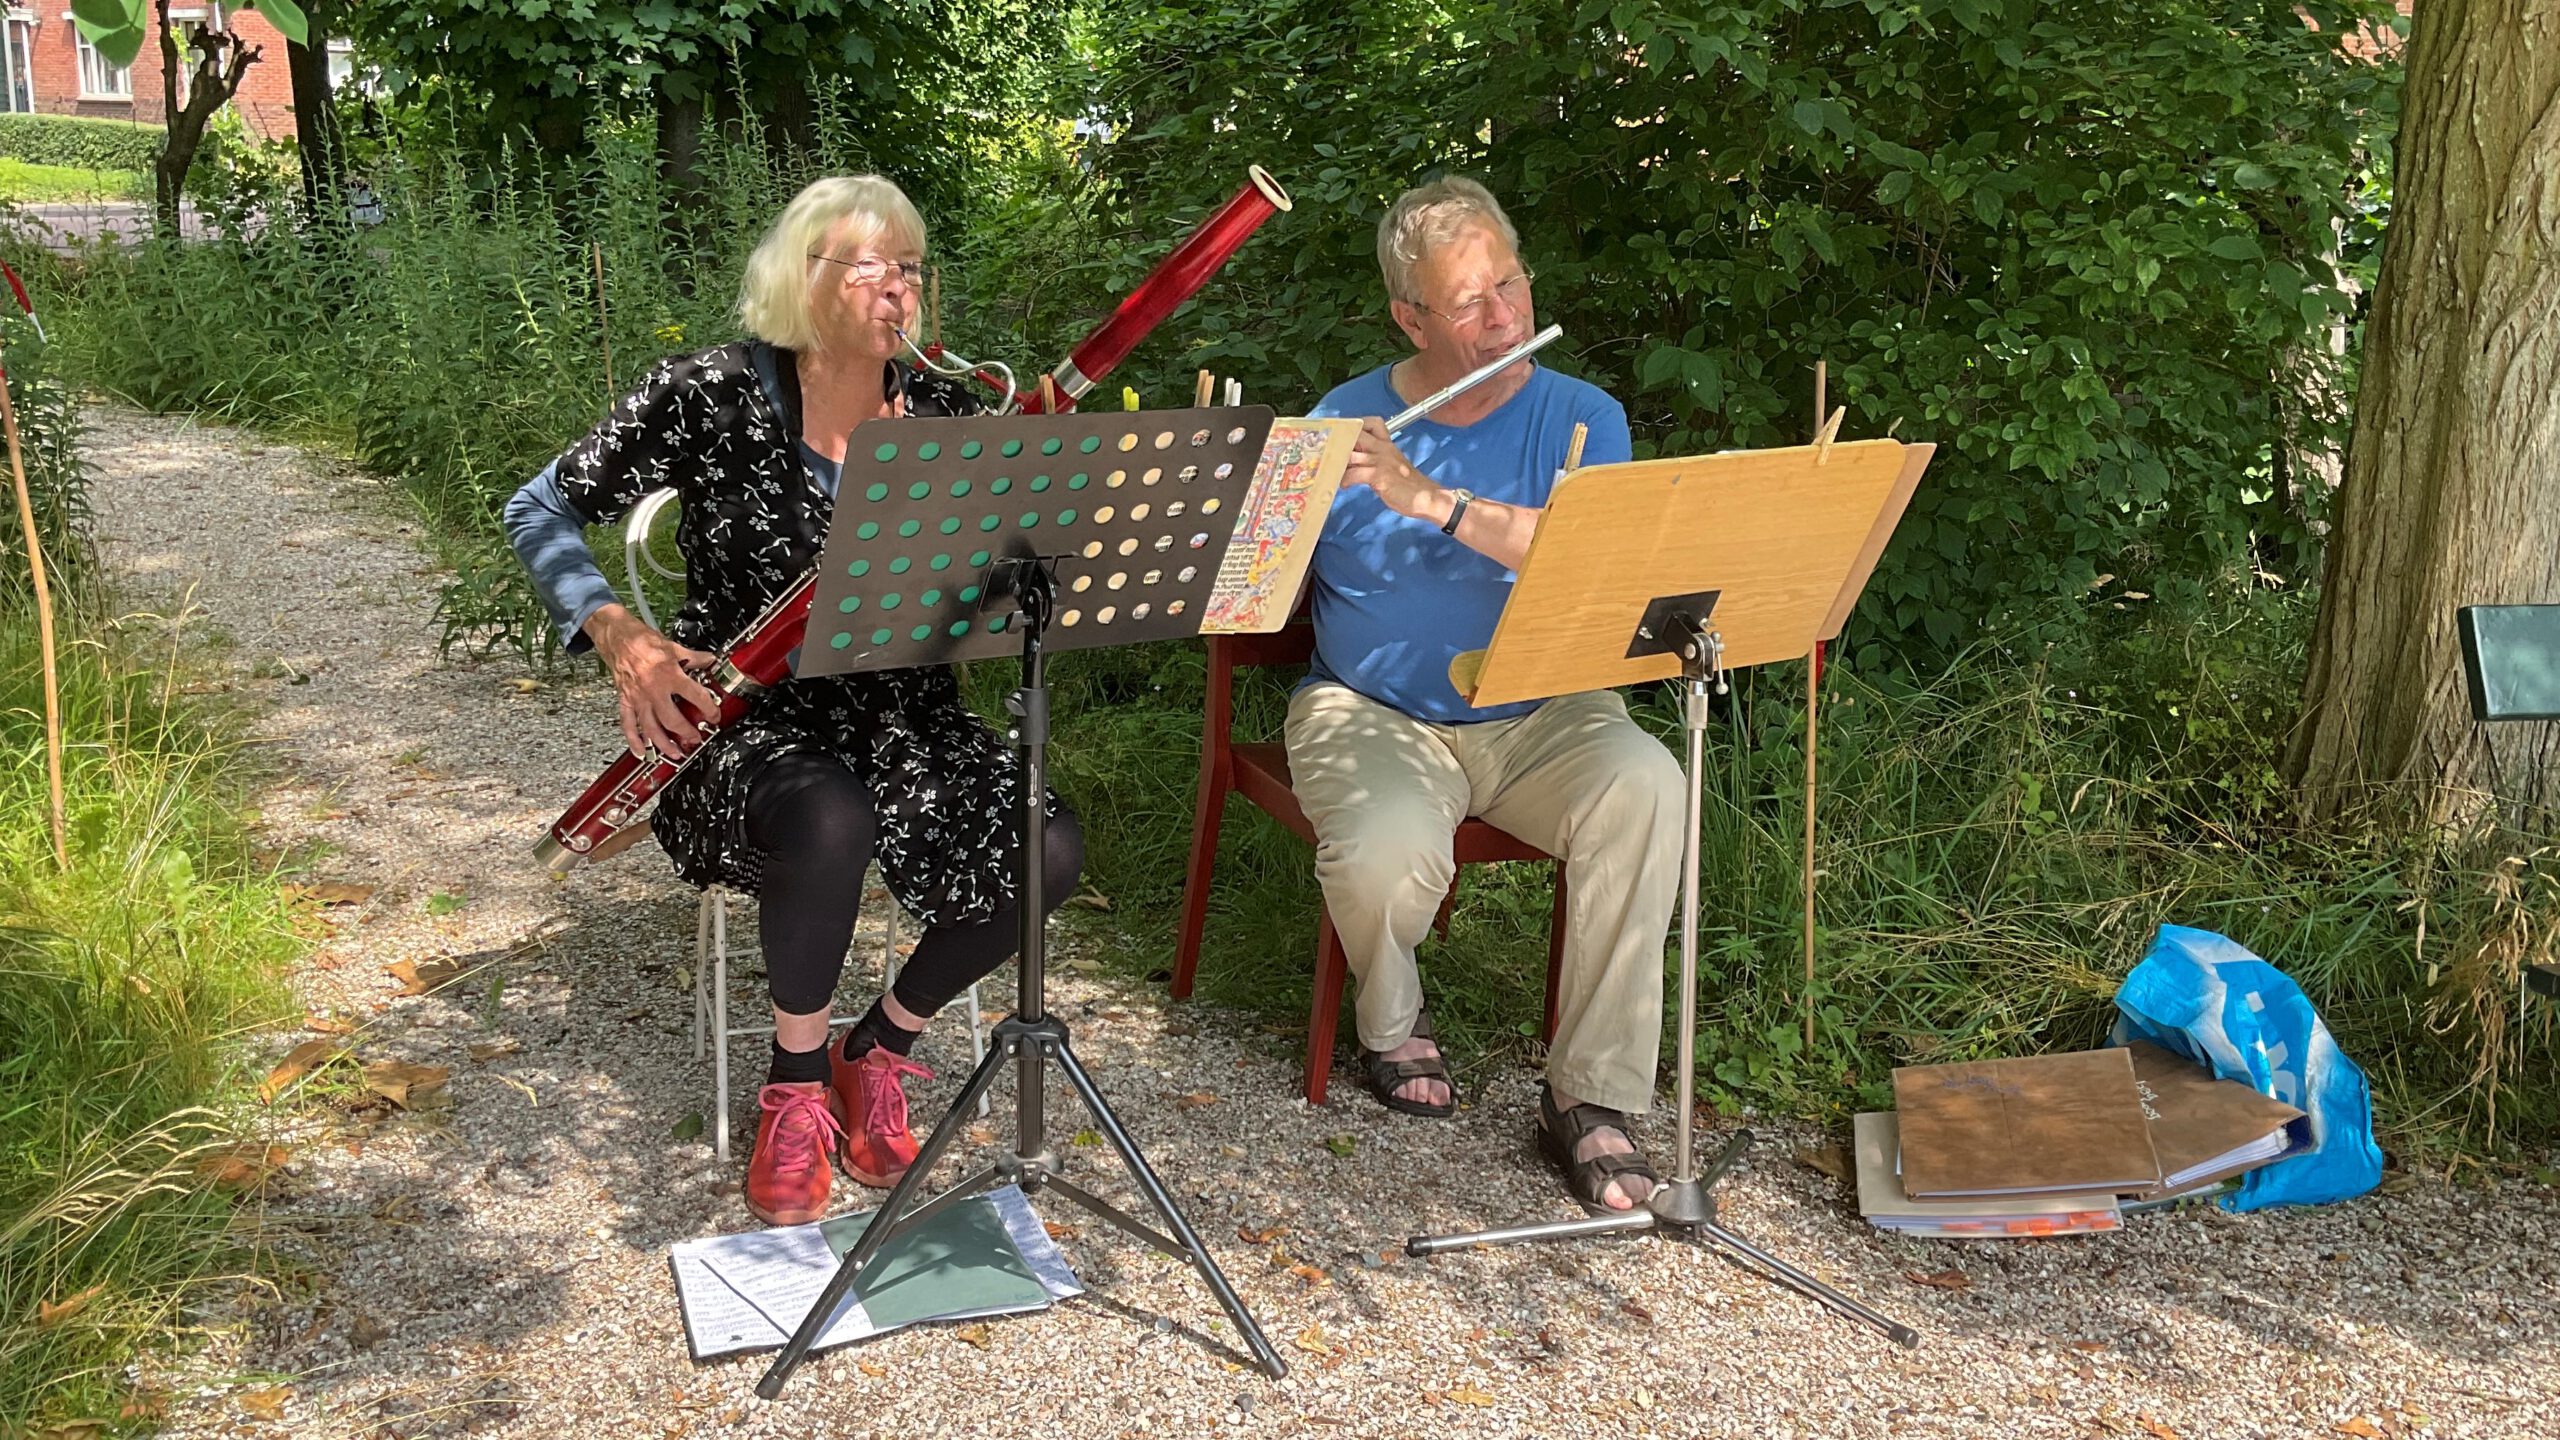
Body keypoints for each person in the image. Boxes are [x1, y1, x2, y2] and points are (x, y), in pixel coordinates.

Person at [503, 176, 1082, 1227]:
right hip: (744, 720)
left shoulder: (946, 414)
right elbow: (538, 507)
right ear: (799, 276)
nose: (898, 287)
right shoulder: (707, 392)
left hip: (906, 715)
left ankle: (880, 1046)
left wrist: (1030, 528)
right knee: (827, 816)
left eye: (910, 268)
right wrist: (623, 637)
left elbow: (994, 578)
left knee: (1046, 845)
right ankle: (797, 1083)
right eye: (870, 265)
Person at [1292, 177, 1683, 1212]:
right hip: (1372, 711)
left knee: (1648, 786)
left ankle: (1590, 1094)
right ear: (1410, 317)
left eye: (1509, 285)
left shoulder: (1584, 416)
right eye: (1469, 303)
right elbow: (1257, 578)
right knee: (1382, 855)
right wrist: (1258, 515)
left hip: (1549, 710)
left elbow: (1592, 563)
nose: (1504, 317)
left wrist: (1433, 500)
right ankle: (1390, 1022)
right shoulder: (1341, 419)